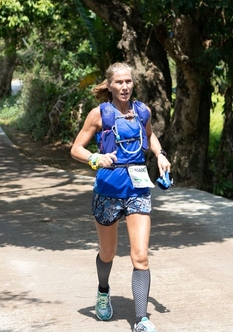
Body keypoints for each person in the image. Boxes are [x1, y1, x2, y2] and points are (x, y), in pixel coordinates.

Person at [71, 62, 171, 332]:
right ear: (110, 85)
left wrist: (160, 155)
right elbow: (76, 148)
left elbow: (150, 136)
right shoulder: (99, 114)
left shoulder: (142, 111)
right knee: (108, 252)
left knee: (141, 256)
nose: (124, 87)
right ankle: (103, 291)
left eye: (128, 81)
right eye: (119, 82)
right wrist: (95, 158)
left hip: (138, 190)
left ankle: (141, 319)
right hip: (108, 191)